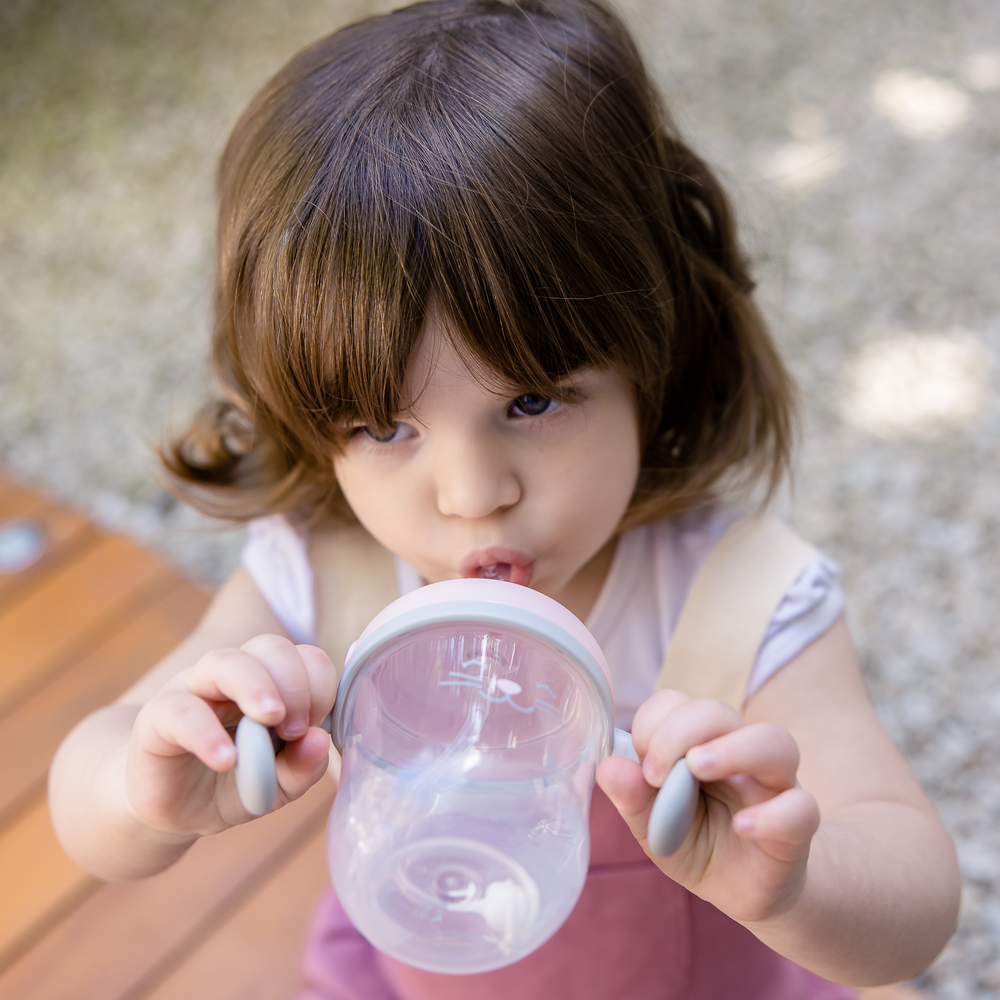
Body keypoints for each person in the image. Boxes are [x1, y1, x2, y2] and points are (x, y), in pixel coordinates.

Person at [48, 0, 960, 996]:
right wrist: (146, 786)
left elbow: (913, 905)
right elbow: (85, 797)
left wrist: (795, 884)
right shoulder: (329, 572)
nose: (472, 493)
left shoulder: (735, 600)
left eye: (529, 400)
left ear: (654, 354)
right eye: (384, 427)